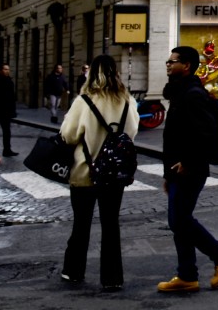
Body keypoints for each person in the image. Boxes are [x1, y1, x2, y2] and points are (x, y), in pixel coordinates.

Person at [158, 46, 218, 293]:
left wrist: (188, 163)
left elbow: (205, 133)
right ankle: (187, 275)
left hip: (190, 170)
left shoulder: (192, 94)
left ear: (188, 66)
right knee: (180, 222)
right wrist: (167, 174)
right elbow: (175, 136)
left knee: (179, 220)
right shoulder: (180, 93)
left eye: (173, 61)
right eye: (168, 61)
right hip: (177, 169)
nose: (169, 65)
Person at [59, 54, 138, 292]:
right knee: (111, 224)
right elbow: (132, 133)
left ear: (91, 73)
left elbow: (68, 135)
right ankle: (112, 277)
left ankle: (74, 271)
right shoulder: (126, 101)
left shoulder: (84, 101)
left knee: (81, 224)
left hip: (85, 171)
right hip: (113, 173)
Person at [0, 64, 18, 157]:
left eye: (8, 69)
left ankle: (7, 150)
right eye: (5, 69)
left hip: (6, 111)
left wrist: (13, 111)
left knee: (7, 131)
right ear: (0, 70)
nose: (7, 71)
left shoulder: (9, 81)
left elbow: (11, 97)